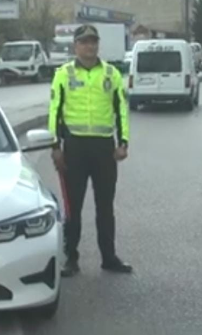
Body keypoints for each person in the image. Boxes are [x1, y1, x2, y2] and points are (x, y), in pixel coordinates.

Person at [48, 24, 133, 278]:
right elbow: (54, 111)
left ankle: (109, 257)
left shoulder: (111, 73)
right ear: (75, 46)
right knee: (73, 207)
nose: (90, 46)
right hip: (74, 147)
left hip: (103, 148)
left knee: (105, 206)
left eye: (93, 42)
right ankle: (70, 258)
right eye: (84, 42)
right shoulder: (63, 74)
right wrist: (55, 146)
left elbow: (121, 111)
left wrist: (123, 142)